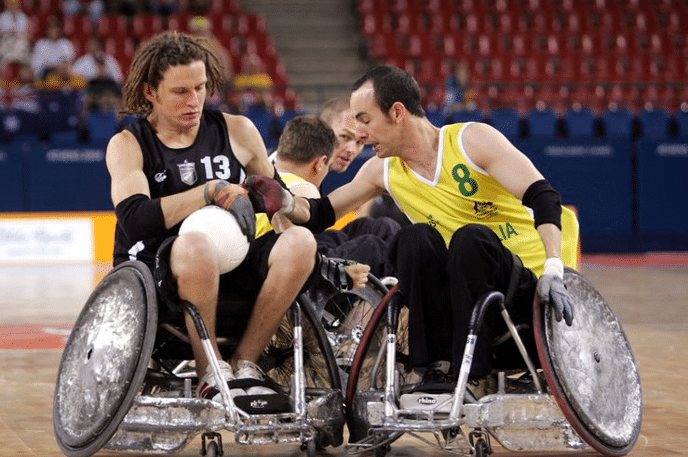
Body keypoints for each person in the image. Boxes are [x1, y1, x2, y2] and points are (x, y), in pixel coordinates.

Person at [256, 65, 579, 398]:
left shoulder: (471, 141)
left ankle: (474, 375)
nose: (361, 133)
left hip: (525, 283)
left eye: (365, 120)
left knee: (469, 238)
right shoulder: (381, 171)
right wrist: (284, 199)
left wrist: (555, 267)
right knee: (412, 238)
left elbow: (543, 195)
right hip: (462, 292)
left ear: (397, 112)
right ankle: (433, 369)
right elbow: (322, 213)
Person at [106, 31, 366, 411]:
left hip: (236, 260)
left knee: (301, 243)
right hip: (162, 269)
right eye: (180, 91)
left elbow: (282, 209)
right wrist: (210, 191)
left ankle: (245, 365)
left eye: (200, 87)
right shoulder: (130, 144)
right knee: (196, 245)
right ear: (150, 92)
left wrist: (286, 203)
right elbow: (134, 220)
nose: (194, 100)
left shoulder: (237, 130)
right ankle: (209, 371)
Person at [31, 16, 75, 80]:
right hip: (45, 78)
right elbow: (37, 67)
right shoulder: (40, 44)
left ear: (60, 30)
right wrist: (56, 66)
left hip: (62, 78)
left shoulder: (66, 43)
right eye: (51, 28)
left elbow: (68, 63)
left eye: (56, 28)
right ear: (47, 30)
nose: (54, 31)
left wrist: (60, 67)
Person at [0, 0, 30, 65]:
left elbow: (26, 34)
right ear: (7, 5)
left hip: (19, 43)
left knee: (22, 45)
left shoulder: (23, 17)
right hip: (5, 42)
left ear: (18, 6)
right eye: (11, 4)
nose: (13, 7)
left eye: (15, 5)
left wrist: (11, 34)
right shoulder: (2, 17)